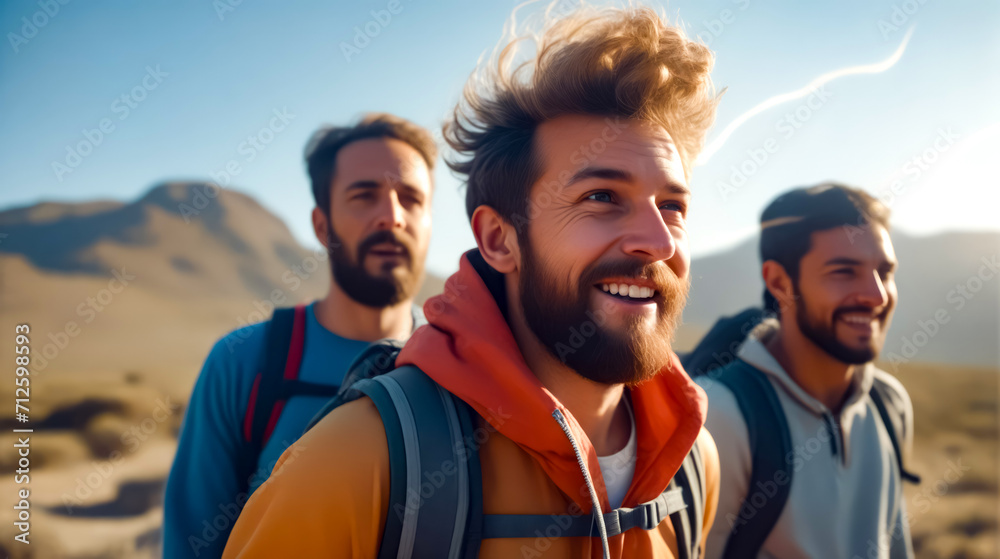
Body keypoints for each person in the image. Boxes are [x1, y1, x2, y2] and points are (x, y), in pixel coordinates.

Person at [222, 5, 722, 559]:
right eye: (601, 197)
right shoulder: (359, 462)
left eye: (673, 206)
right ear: (499, 239)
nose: (658, 241)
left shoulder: (694, 462)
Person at [163, 113, 436, 558]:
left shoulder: (459, 362)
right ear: (322, 225)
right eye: (364, 196)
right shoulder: (243, 363)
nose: (392, 217)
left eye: (411, 199)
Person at [697, 184, 917, 559]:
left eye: (885, 271)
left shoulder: (888, 402)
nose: (876, 295)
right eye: (844, 272)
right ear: (780, 283)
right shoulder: (719, 417)